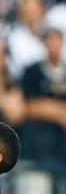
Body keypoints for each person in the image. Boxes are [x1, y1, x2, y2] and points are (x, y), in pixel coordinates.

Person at [21, 27, 66, 165]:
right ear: (44, 44)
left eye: (57, 41)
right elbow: (29, 106)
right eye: (50, 41)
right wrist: (60, 112)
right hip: (40, 137)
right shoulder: (32, 72)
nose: (54, 46)